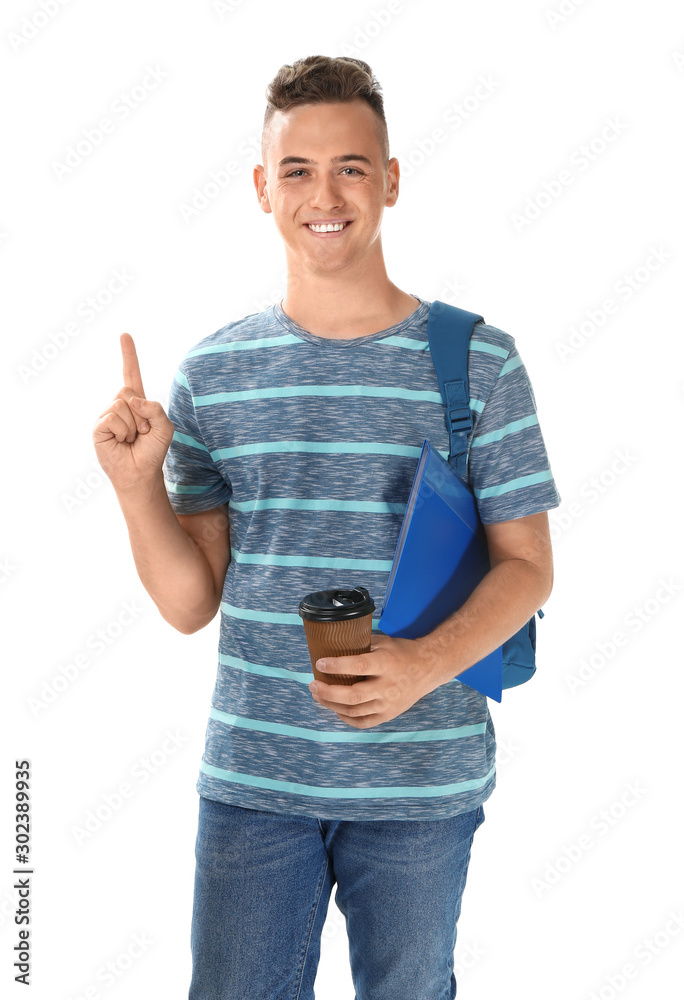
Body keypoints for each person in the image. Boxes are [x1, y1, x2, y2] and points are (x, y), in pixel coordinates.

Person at [93, 54, 560, 1000]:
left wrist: (423, 665)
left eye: (352, 166)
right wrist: (137, 489)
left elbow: (528, 567)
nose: (325, 194)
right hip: (254, 785)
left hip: (422, 781)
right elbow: (191, 604)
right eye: (298, 171)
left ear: (390, 179)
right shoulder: (214, 375)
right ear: (264, 189)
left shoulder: (477, 362)